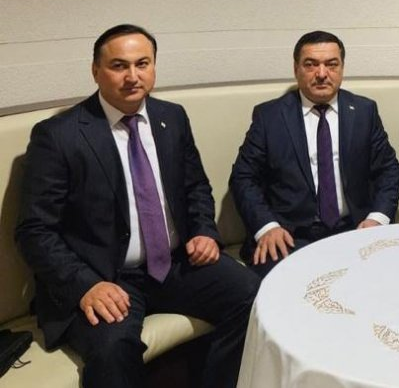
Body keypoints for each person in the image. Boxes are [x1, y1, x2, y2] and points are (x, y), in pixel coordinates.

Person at [15, 24, 260, 388]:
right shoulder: (59, 135)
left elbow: (195, 186)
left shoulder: (172, 117)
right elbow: (34, 230)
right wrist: (85, 285)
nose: (132, 76)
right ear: (96, 71)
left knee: (252, 296)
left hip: (176, 264)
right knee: (113, 347)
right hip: (105, 275)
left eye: (142, 63)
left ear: (154, 66)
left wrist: (204, 231)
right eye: (119, 65)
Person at [229, 30, 399, 278]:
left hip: (354, 231)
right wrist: (267, 227)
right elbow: (243, 178)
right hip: (291, 236)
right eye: (311, 65)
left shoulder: (364, 111)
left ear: (342, 68)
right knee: (289, 285)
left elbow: (389, 170)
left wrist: (376, 219)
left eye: (331, 64)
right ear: (296, 69)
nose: (321, 73)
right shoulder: (270, 117)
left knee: (388, 278)